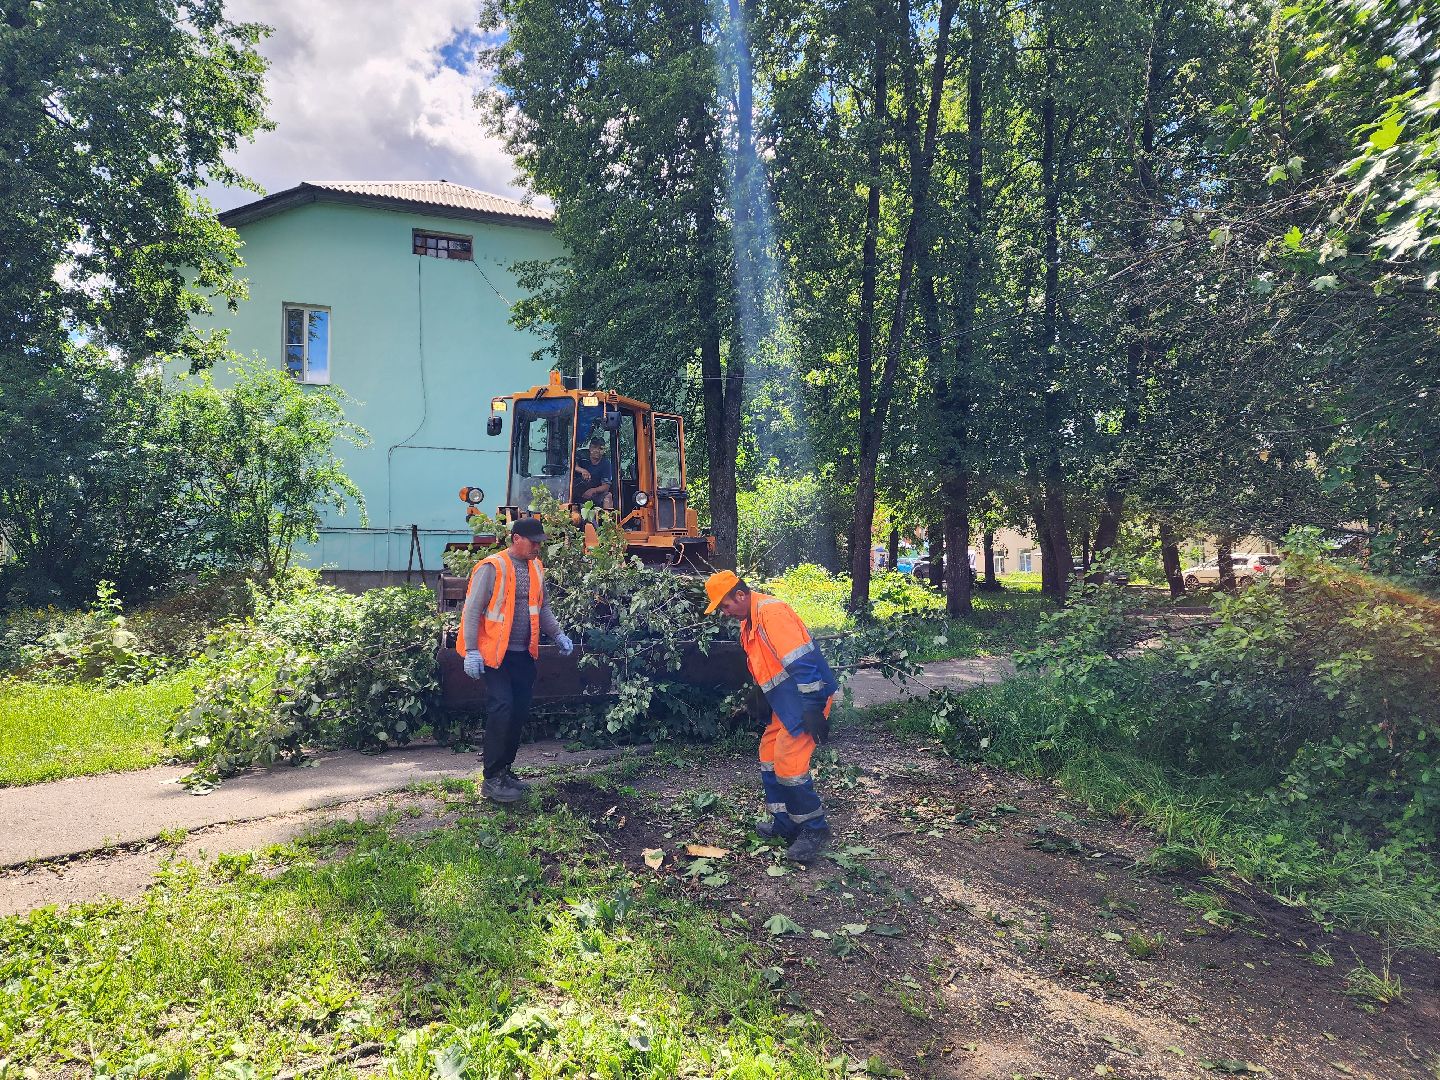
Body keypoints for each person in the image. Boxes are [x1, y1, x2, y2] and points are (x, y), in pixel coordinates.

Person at [705, 570, 839, 863]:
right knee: (768, 753)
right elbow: (768, 667)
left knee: (789, 763)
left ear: (740, 595)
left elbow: (802, 663)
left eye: (725, 606)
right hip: (786, 701)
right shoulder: (748, 624)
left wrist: (813, 707)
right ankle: (785, 822)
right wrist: (760, 696)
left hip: (806, 698)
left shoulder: (772, 614)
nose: (725, 613)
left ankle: (814, 829)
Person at [458, 517, 574, 803]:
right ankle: (491, 778)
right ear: (516, 539)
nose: (537, 547)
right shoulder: (492, 567)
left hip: (523, 653)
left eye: (540, 543)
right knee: (502, 707)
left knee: (519, 710)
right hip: (494, 655)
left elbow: (542, 607)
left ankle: (505, 771)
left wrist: (558, 634)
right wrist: (471, 650)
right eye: (533, 542)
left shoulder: (536, 567)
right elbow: (472, 611)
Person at [574, 437, 613, 504]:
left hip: (594, 494)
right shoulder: (581, 454)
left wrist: (593, 490)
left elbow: (606, 486)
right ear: (590, 448)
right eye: (594, 447)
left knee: (608, 497)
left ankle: (607, 511)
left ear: (604, 451)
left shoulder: (606, 463)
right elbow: (572, 465)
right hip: (575, 490)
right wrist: (583, 470)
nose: (597, 450)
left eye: (600, 448)